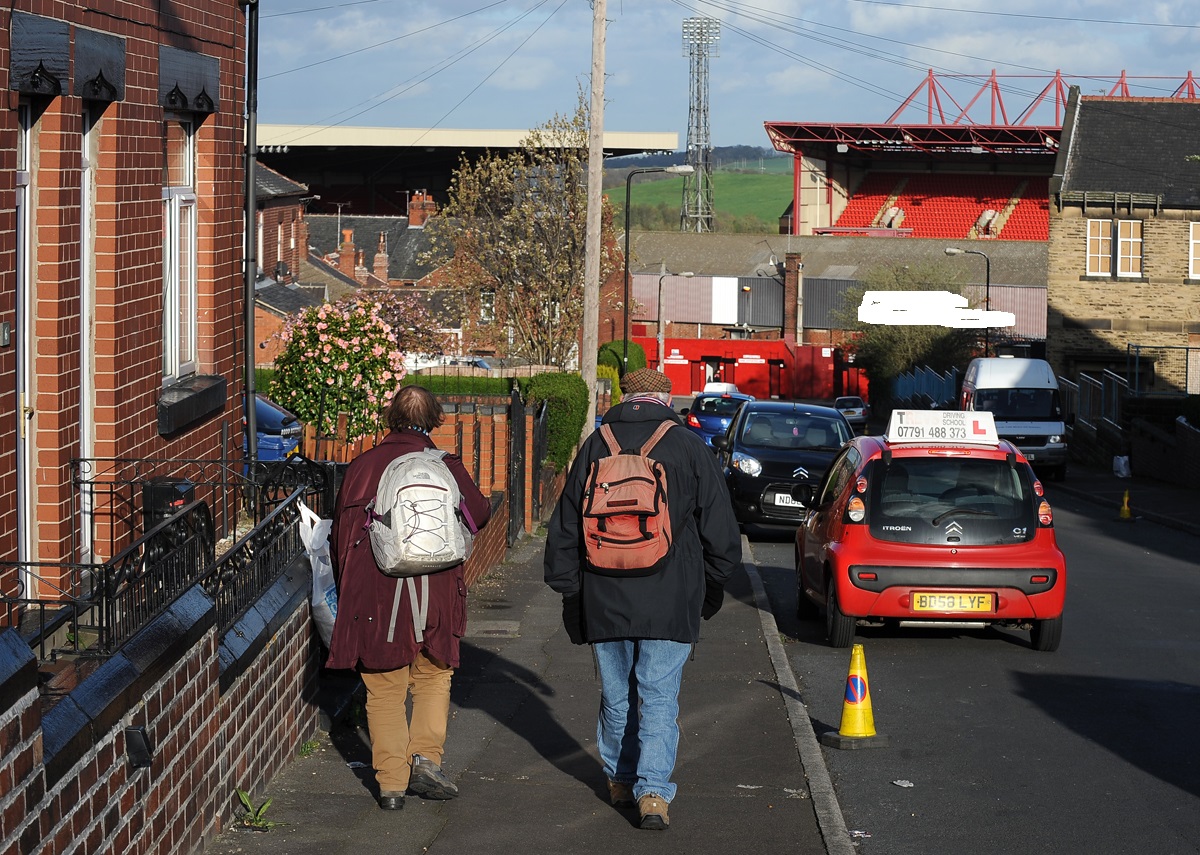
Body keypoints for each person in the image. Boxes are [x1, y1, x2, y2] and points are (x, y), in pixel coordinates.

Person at [543, 368, 741, 831]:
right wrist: (710, 590)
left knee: (616, 696)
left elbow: (565, 529)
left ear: (625, 398)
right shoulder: (688, 445)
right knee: (658, 697)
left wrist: (571, 594)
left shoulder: (595, 445)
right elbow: (721, 532)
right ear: (664, 399)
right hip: (672, 596)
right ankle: (653, 793)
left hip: (603, 592)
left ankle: (618, 778)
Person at [326, 384, 491, 811]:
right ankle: (426, 759)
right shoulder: (445, 465)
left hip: (377, 593)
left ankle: (392, 786)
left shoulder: (363, 466)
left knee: (383, 688)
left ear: (389, 418)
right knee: (435, 676)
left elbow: (341, 537)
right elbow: (481, 515)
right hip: (435, 589)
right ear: (435, 419)